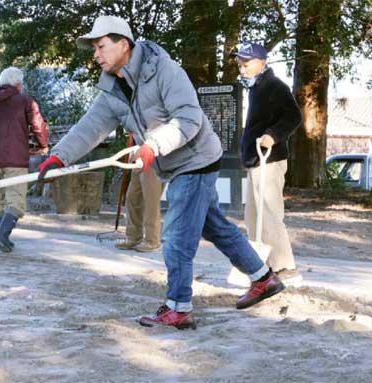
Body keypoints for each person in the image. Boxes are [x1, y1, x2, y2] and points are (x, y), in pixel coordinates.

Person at [37, 15, 285, 330]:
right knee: (215, 227)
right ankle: (263, 278)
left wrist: (153, 145)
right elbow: (90, 127)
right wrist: (58, 158)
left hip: (195, 159)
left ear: (123, 44)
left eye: (101, 46)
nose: (95, 55)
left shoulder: (164, 70)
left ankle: (178, 307)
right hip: (173, 164)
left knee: (176, 236)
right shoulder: (114, 88)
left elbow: (190, 118)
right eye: (94, 49)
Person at [234, 42, 303, 286]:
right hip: (256, 159)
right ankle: (261, 267)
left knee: (271, 213)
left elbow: (294, 116)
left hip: (270, 159)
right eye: (240, 63)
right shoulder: (256, 87)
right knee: (253, 215)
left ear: (262, 62)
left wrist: (273, 135)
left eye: (247, 63)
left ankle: (285, 267)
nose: (242, 68)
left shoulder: (274, 86)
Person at [0, 66, 48, 253]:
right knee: (15, 200)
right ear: (17, 84)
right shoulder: (25, 102)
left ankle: (1, 238)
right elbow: (38, 126)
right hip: (15, 160)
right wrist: (43, 145)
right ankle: (3, 236)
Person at [115, 166, 164, 253]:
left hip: (153, 159)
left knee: (151, 202)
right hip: (139, 160)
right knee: (132, 198)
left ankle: (152, 241)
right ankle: (133, 237)